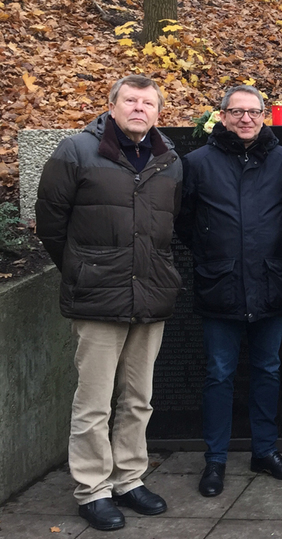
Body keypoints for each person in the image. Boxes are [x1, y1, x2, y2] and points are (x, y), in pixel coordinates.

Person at [35, 75, 182, 531]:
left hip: (150, 293)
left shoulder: (169, 159)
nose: (140, 109)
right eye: (131, 101)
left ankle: (128, 479)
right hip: (98, 295)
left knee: (138, 398)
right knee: (94, 402)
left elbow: (169, 225)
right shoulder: (76, 151)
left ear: (158, 112)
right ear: (112, 105)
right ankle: (93, 489)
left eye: (148, 103)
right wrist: (84, 269)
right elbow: (51, 223)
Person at [175, 85, 282, 498]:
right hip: (221, 285)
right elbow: (184, 221)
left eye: (253, 112)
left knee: (268, 370)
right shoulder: (197, 163)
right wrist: (214, 255)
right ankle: (215, 459)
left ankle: (265, 451)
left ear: (264, 116)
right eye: (237, 111)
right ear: (223, 116)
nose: (246, 119)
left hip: (270, 282)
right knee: (219, 374)